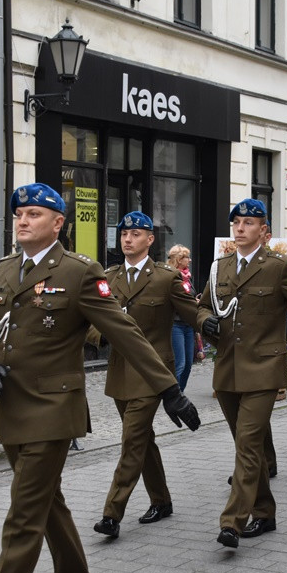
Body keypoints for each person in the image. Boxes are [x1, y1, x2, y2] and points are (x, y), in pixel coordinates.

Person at [0, 183, 200, 573]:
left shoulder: (79, 272)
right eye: (19, 214)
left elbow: (126, 333)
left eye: (34, 214)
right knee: (49, 504)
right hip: (11, 406)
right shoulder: (2, 272)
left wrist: (169, 389)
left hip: (53, 409)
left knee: (23, 515)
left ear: (58, 223)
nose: (23, 220)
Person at [198, 198, 287, 550]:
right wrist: (204, 322)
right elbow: (200, 307)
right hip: (227, 369)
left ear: (264, 231)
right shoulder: (220, 268)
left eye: (249, 223)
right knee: (249, 446)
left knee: (247, 444)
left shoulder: (278, 266)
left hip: (264, 369)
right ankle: (265, 511)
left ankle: (232, 521)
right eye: (237, 223)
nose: (241, 228)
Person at [90, 213, 202, 540]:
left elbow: (193, 315)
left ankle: (112, 513)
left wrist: (219, 333)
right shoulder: (108, 277)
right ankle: (161, 500)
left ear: (150, 239)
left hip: (154, 372)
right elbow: (92, 319)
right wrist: (102, 336)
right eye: (124, 233)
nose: (127, 239)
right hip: (121, 373)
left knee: (131, 440)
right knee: (143, 440)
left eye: (136, 234)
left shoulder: (166, 278)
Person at [167, 244, 197, 391]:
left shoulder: (187, 276)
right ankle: (175, 395)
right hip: (176, 324)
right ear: (179, 259)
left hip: (188, 324)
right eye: (187, 257)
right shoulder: (170, 276)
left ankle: (180, 392)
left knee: (189, 364)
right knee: (180, 363)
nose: (190, 260)